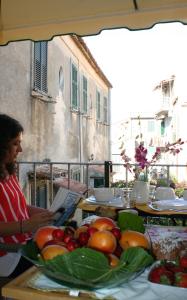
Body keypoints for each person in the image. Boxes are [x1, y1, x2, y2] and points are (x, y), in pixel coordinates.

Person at [0, 114, 54, 280]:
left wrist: (48, 213)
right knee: (56, 266)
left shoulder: (9, 172)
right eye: (15, 144)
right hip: (7, 253)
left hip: (23, 243)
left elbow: (19, 207)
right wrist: (26, 225)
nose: (20, 150)